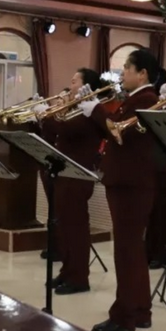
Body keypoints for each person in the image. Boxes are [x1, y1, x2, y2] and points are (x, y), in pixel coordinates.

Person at [81, 49, 160, 331]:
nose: (122, 73)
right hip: (127, 183)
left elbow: (119, 133)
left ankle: (124, 317)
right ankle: (140, 310)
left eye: (127, 68)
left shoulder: (147, 99)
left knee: (126, 252)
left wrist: (97, 111)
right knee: (132, 251)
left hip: (131, 185)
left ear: (143, 74)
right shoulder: (137, 98)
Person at [42, 68, 104, 295]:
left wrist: (51, 114)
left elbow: (67, 130)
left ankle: (79, 277)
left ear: (87, 85)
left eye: (75, 81)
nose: (71, 84)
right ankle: (67, 271)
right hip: (65, 172)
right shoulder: (77, 108)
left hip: (78, 174)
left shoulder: (90, 110)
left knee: (76, 229)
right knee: (65, 226)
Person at [146, 68, 166, 270]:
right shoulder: (152, 103)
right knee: (151, 210)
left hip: (165, 164)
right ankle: (149, 250)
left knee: (162, 211)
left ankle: (161, 253)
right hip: (150, 163)